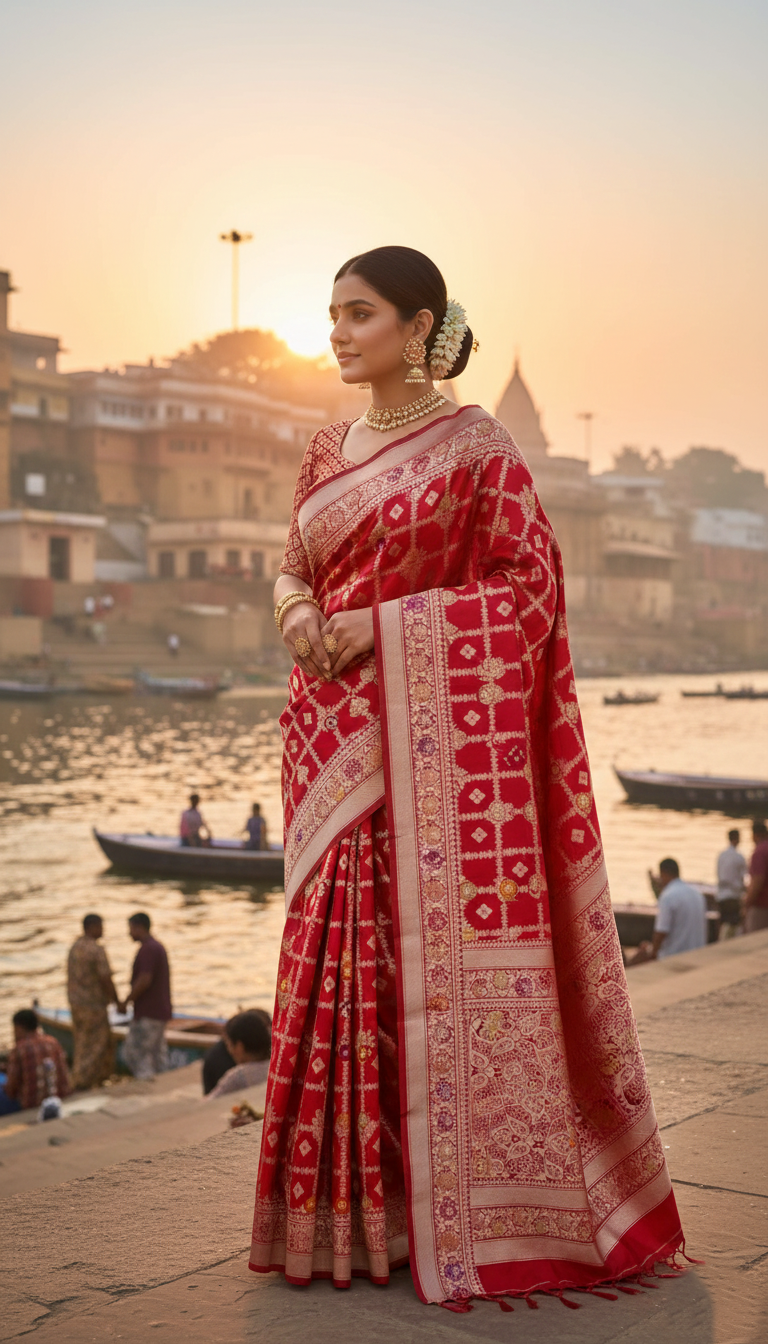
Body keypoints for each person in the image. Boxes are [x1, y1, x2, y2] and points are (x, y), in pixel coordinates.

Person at [249, 246, 684, 1304]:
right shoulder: (324, 449)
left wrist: (381, 626)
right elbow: (292, 563)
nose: (338, 332)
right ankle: (342, 1217)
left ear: (419, 327)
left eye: (360, 314)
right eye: (332, 313)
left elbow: (528, 590)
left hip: (424, 750)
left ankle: (439, 1210)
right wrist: (298, 610)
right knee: (331, 962)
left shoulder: (478, 448)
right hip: (328, 740)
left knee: (409, 967)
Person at [67, 913, 119, 1089]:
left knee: (82, 1043)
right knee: (97, 1045)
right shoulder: (96, 950)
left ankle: (80, 1078)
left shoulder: (75, 947)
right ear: (93, 927)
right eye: (101, 926)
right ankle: (84, 1082)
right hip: (93, 1007)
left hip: (76, 1005)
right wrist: (117, 1001)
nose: (103, 930)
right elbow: (106, 979)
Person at [121, 914, 172, 1080]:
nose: (129, 933)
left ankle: (146, 1085)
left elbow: (144, 979)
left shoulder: (148, 949)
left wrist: (126, 1001)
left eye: (131, 929)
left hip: (149, 1012)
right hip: (159, 1011)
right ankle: (162, 1084)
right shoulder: (157, 947)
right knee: (157, 1055)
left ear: (139, 927)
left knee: (136, 1053)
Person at [629, 859, 707, 964]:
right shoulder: (697, 895)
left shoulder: (668, 896)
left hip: (674, 956)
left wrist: (652, 953)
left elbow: (661, 931)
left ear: (663, 873)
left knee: (640, 953)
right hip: (698, 954)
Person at [3, 1009, 70, 1114]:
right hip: (60, 1098)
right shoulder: (53, 1042)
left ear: (18, 1028)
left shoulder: (19, 1049)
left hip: (31, 1104)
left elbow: (11, 1090)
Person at [206, 1010, 271, 1099]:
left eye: (228, 1044)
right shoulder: (277, 1068)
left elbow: (210, 1103)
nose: (229, 1050)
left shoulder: (239, 1076)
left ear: (239, 1047)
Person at [716, 828, 747, 935]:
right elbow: (743, 878)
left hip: (721, 896)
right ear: (738, 839)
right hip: (733, 896)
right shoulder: (739, 857)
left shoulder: (721, 855)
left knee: (724, 923)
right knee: (733, 926)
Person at [744, 819, 768, 934]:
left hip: (761, 906)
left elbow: (758, 881)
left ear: (754, 835)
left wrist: (747, 903)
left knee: (754, 939)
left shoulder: (759, 852)